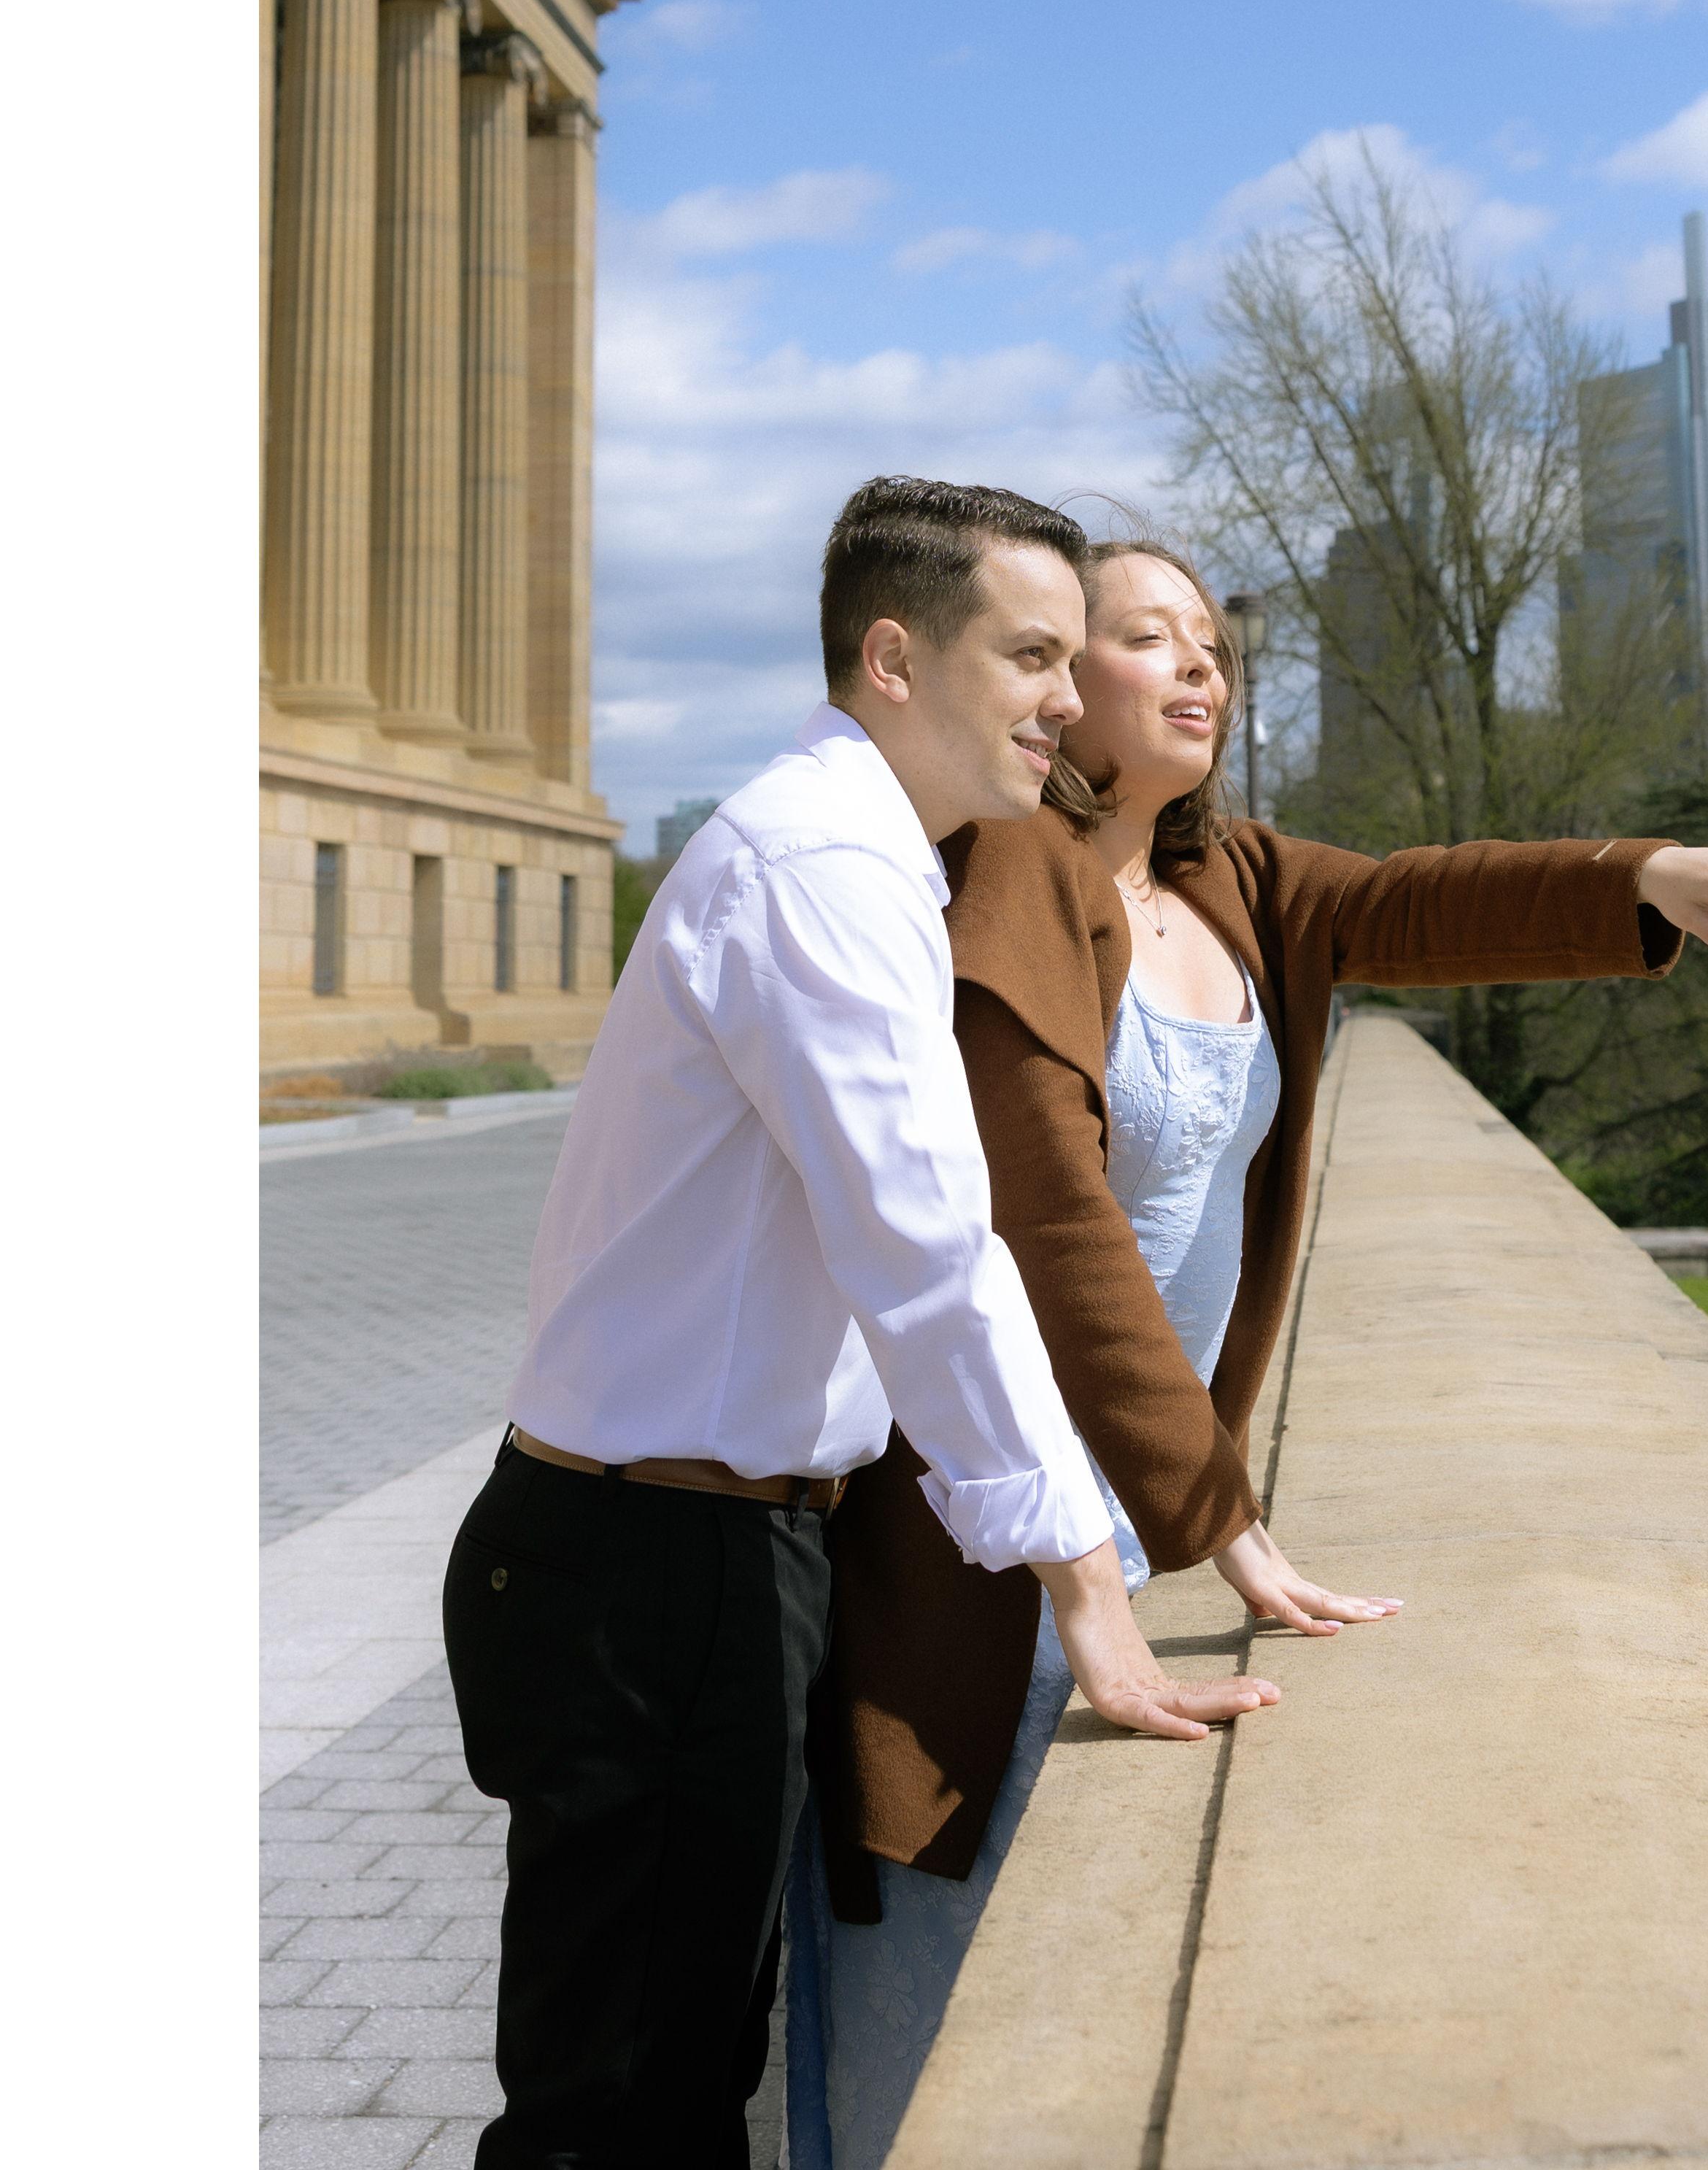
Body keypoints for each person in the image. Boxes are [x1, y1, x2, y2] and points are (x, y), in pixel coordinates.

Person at [787, 537, 1708, 2166]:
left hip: (1133, 1526)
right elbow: (1055, 1231)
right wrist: (1226, 1517)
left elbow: (1416, 897)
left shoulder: (1232, 877)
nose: (1203, 664)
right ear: (1056, 678)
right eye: (1148, 638)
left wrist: (1646, 874)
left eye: (1213, 640)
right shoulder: (1012, 875)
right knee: (936, 1993)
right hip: (985, 1532)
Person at [442, 487, 1277, 2170]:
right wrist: (1088, 1587)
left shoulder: (873, 858)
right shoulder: (819, 864)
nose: (1065, 701)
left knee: (680, 2079)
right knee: (620, 2118)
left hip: (698, 1554)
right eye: (1031, 656)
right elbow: (930, 1250)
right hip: (651, 1568)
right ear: (894, 660)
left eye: (1072, 660)